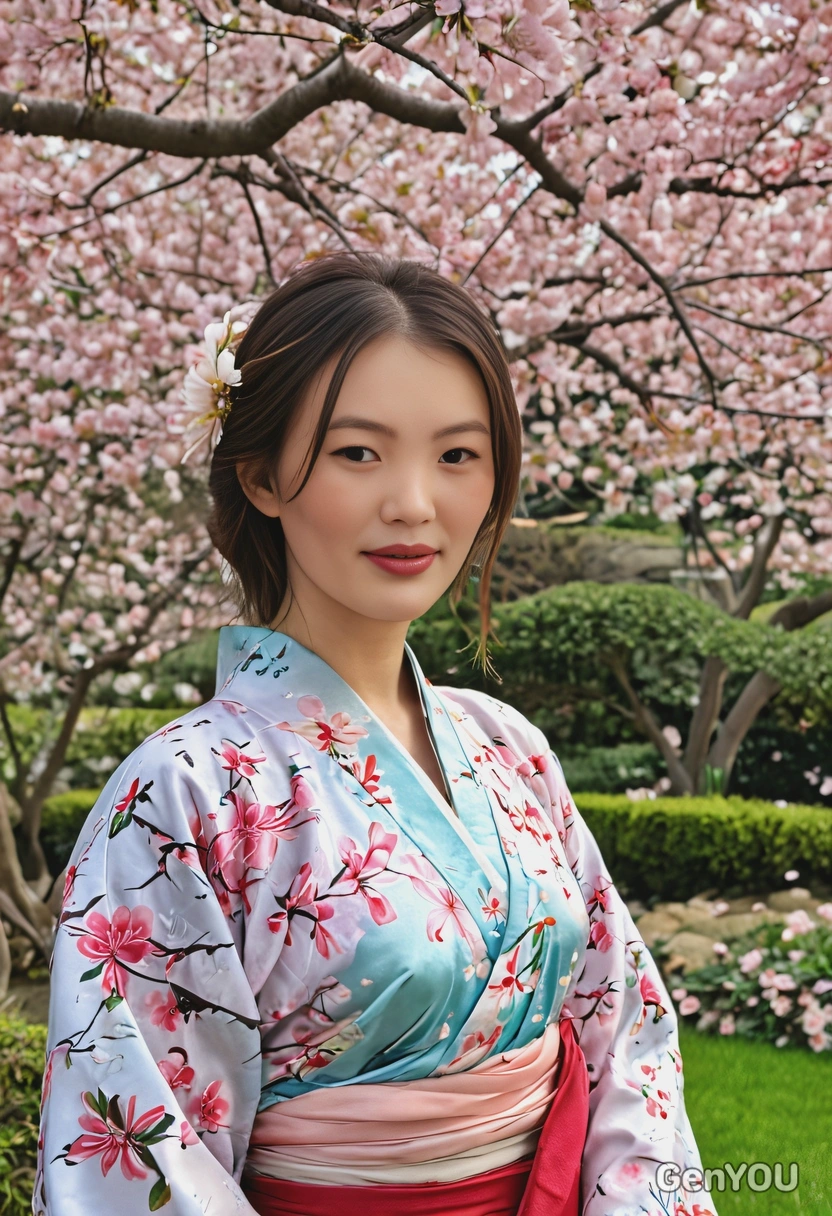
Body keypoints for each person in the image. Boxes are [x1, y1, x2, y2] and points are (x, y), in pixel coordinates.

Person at [33, 252, 717, 1216]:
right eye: (359, 452)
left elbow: (627, 1040)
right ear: (262, 476)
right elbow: (146, 1161)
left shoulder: (509, 747)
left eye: (456, 455)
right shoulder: (183, 795)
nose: (413, 502)